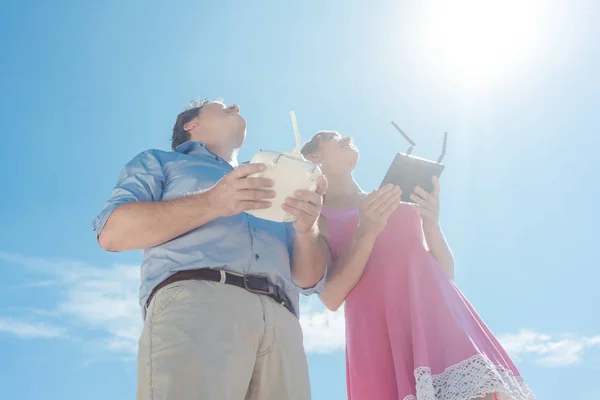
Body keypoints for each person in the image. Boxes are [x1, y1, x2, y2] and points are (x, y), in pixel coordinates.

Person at [92, 100, 329, 400]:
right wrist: (214, 202)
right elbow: (112, 233)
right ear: (190, 125)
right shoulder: (160, 162)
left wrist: (308, 228)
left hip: (284, 326)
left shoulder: (272, 179)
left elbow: (308, 280)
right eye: (220, 105)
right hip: (197, 304)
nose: (235, 105)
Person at [300, 130, 535, 400]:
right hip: (383, 333)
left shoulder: (390, 198)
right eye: (331, 136)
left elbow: (445, 272)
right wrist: (368, 230)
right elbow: (330, 296)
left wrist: (431, 222)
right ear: (313, 157)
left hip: (439, 319)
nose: (345, 136)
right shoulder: (319, 218)